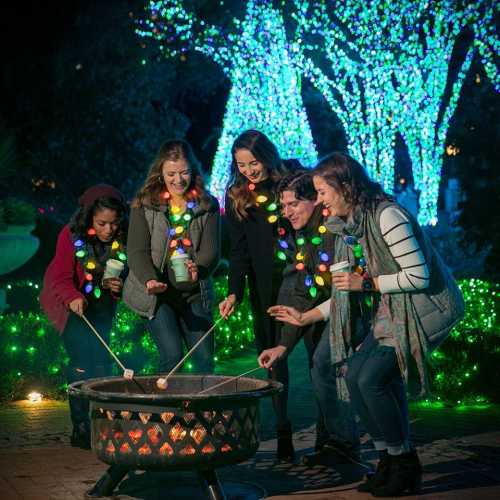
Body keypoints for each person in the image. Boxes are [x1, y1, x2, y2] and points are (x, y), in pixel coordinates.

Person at [266, 152, 464, 496]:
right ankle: (390, 459)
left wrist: (368, 284)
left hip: (426, 308)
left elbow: (419, 276)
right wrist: (306, 317)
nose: (322, 201)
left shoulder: (388, 216)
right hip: (395, 309)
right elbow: (345, 294)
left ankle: (404, 462)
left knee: (371, 379)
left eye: (323, 192)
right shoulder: (353, 227)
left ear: (345, 187)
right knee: (357, 374)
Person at [258, 171, 360, 466]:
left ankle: (343, 443)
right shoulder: (300, 234)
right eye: (283, 206)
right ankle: (333, 443)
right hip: (326, 307)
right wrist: (283, 346)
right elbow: (302, 290)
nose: (287, 212)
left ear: (315, 200)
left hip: (355, 306)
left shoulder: (333, 230)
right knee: (322, 370)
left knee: (327, 368)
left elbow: (343, 288)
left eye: (293, 204)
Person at [218, 129, 295, 461]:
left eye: (253, 162)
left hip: (302, 277)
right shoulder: (236, 194)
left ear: (267, 154)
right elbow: (238, 252)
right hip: (265, 287)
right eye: (241, 164)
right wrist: (234, 292)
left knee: (321, 358)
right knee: (275, 362)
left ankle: (331, 434)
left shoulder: (292, 179)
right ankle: (282, 429)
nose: (249, 170)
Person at [40, 184, 128, 449]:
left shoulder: (120, 238)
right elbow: (61, 278)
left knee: (101, 360)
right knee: (81, 361)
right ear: (89, 218)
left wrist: (117, 287)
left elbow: (122, 273)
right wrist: (73, 297)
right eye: (101, 223)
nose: (108, 230)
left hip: (101, 305)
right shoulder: (70, 235)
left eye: (113, 223)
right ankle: (80, 427)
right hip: (69, 304)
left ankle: (102, 422)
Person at [124, 139, 220, 375]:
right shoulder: (145, 204)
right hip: (159, 295)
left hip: (194, 292)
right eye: (171, 173)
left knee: (204, 358)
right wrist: (149, 279)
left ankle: (202, 411)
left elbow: (212, 251)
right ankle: (168, 411)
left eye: (184, 172)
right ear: (160, 173)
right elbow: (136, 250)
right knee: (172, 357)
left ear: (193, 171)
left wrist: (201, 269)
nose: (178, 180)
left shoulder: (206, 205)